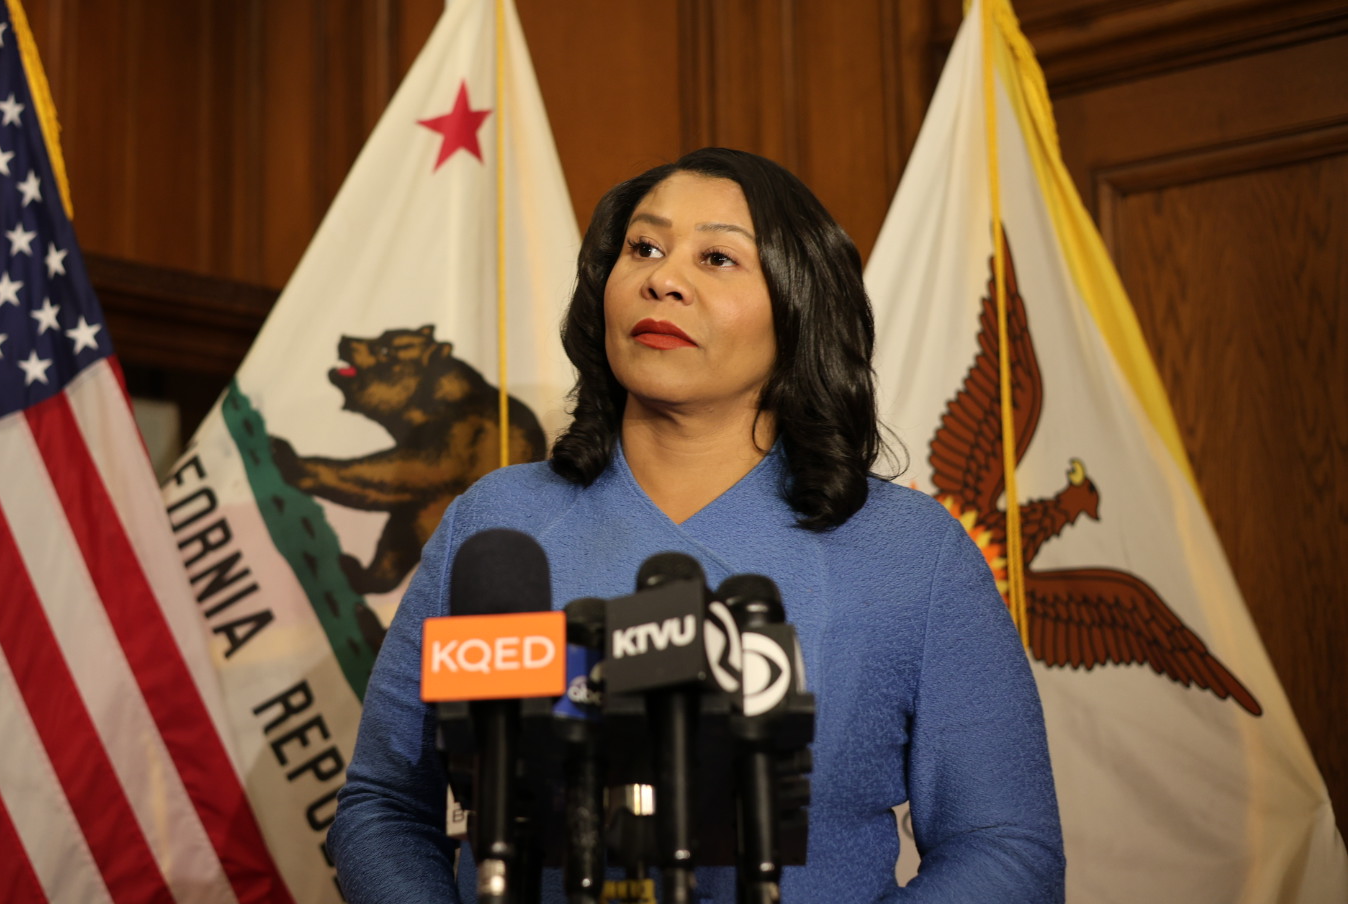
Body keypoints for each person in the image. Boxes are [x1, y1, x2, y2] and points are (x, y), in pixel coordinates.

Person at [327, 148, 1064, 902]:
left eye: (717, 257)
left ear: (800, 306)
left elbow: (1004, 850)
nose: (662, 277)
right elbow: (383, 808)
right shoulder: (496, 522)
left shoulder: (913, 554)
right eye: (643, 247)